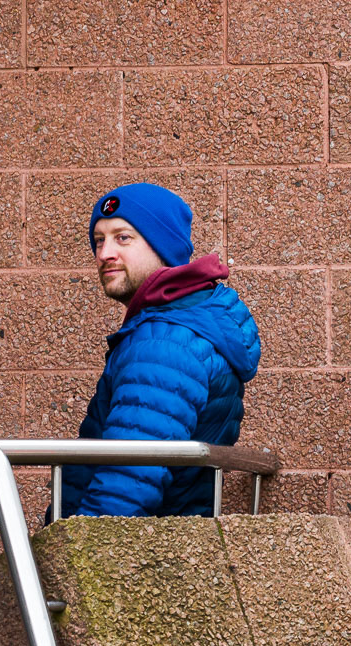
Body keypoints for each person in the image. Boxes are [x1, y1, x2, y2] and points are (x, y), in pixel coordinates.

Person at [54, 182, 261, 519]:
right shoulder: (180, 323)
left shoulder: (164, 343)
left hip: (122, 546)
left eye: (123, 238)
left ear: (163, 247)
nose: (104, 253)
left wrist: (69, 547)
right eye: (99, 240)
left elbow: (127, 482)